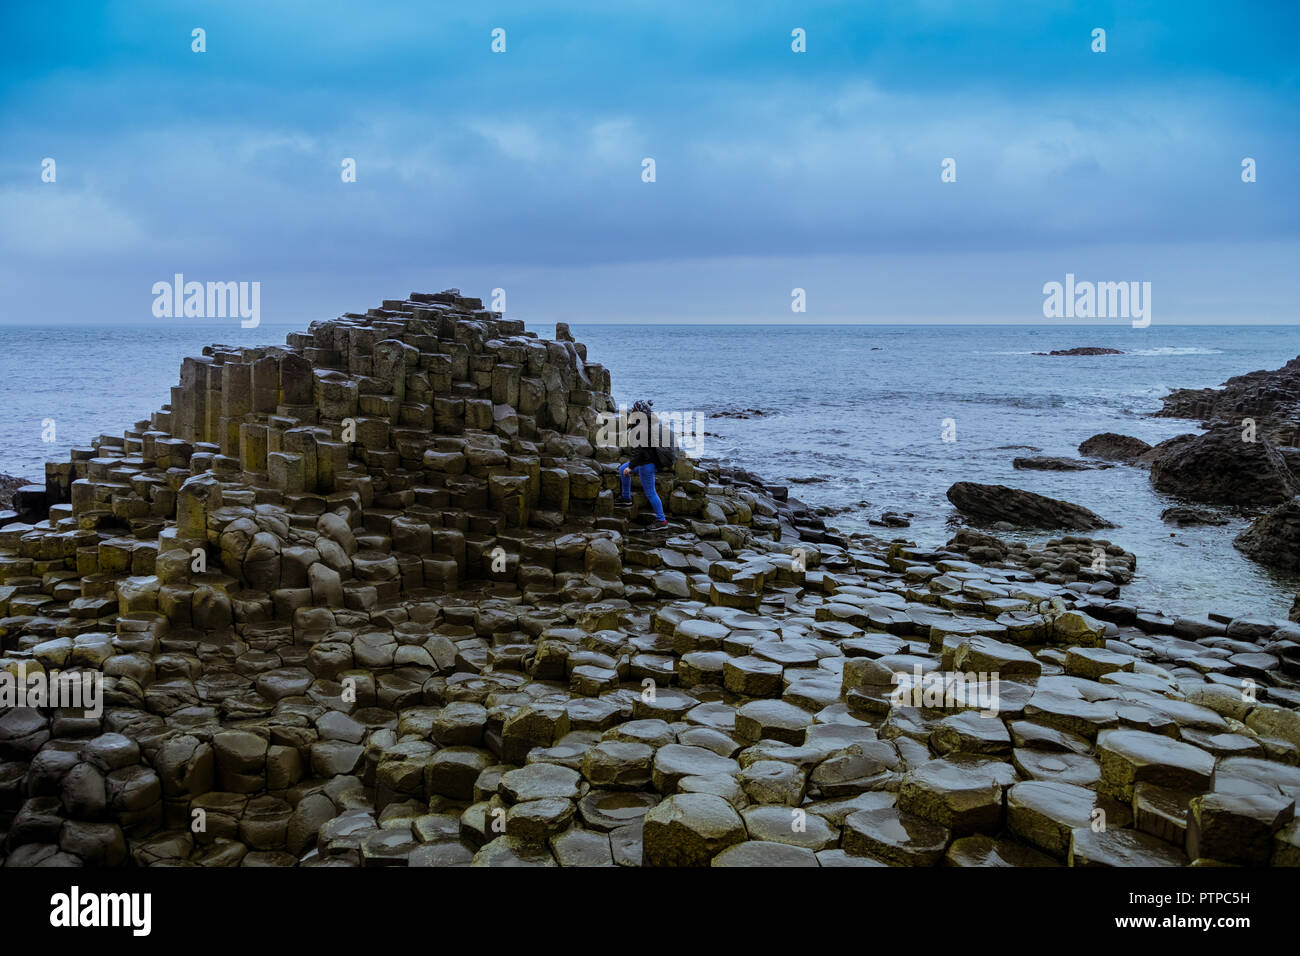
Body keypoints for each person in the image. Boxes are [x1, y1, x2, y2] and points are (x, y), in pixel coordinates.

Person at [617, 399, 677, 529]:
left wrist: (631, 467)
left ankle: (661, 521)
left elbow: (638, 451)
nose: (631, 411)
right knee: (622, 469)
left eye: (633, 409)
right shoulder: (647, 422)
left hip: (646, 464)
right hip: (647, 460)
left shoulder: (641, 428)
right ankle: (626, 499)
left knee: (650, 492)